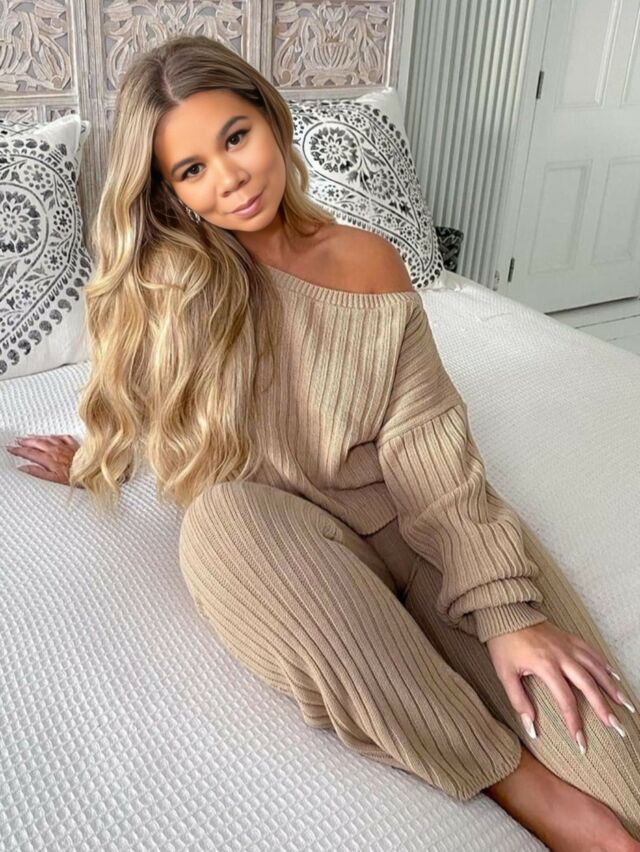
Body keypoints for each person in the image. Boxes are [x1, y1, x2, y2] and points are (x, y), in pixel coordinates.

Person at [6, 34, 640, 850]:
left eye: (236, 137)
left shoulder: (369, 261)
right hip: (276, 537)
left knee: (617, 769)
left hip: (411, 526)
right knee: (218, 519)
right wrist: (102, 460)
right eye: (191, 169)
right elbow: (145, 404)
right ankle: (516, 784)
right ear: (168, 192)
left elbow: (431, 449)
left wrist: (509, 614)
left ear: (271, 119)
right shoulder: (167, 288)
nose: (230, 177)